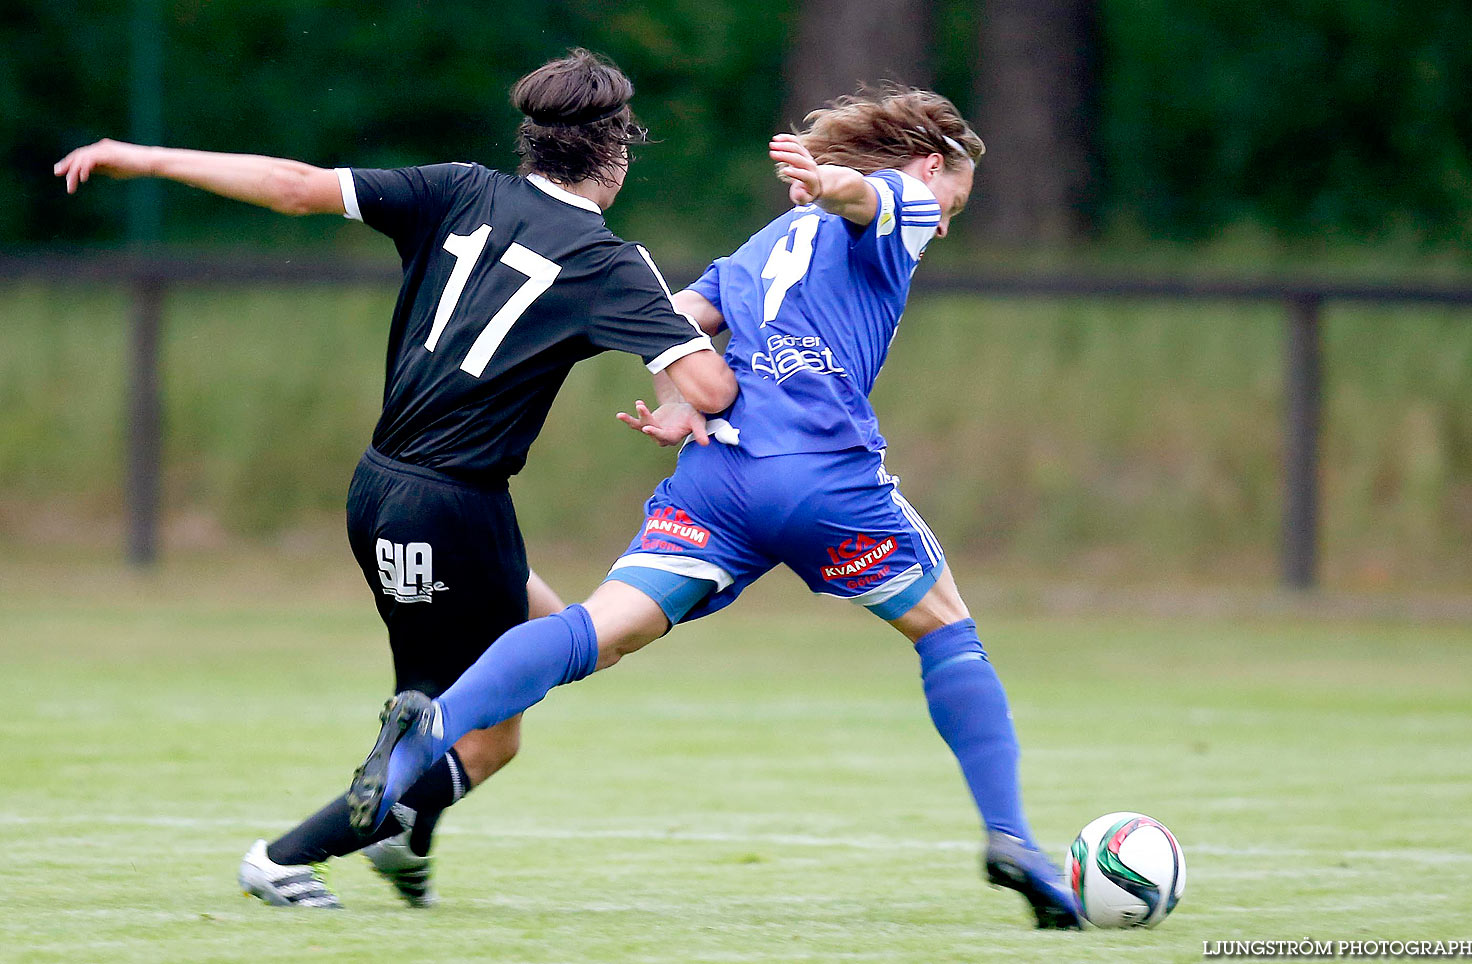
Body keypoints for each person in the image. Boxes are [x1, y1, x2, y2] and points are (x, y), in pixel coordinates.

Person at [344, 85, 1082, 928]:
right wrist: (834, 180)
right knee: (948, 631)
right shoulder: (901, 201)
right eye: (957, 195)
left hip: (720, 476)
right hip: (822, 478)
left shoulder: (767, 240)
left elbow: (677, 318)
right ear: (927, 165)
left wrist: (678, 393)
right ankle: (1012, 838)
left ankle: (429, 730)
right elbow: (870, 197)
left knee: (600, 629)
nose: (947, 217)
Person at [53, 48, 737, 909]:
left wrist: (145, 157)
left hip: (380, 487)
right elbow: (712, 387)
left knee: (550, 643)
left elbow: (295, 185)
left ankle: (409, 838)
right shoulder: (608, 260)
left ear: (531, 144)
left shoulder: (458, 187)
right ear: (618, 153)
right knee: (474, 730)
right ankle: (286, 856)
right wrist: (697, 341)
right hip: (455, 507)